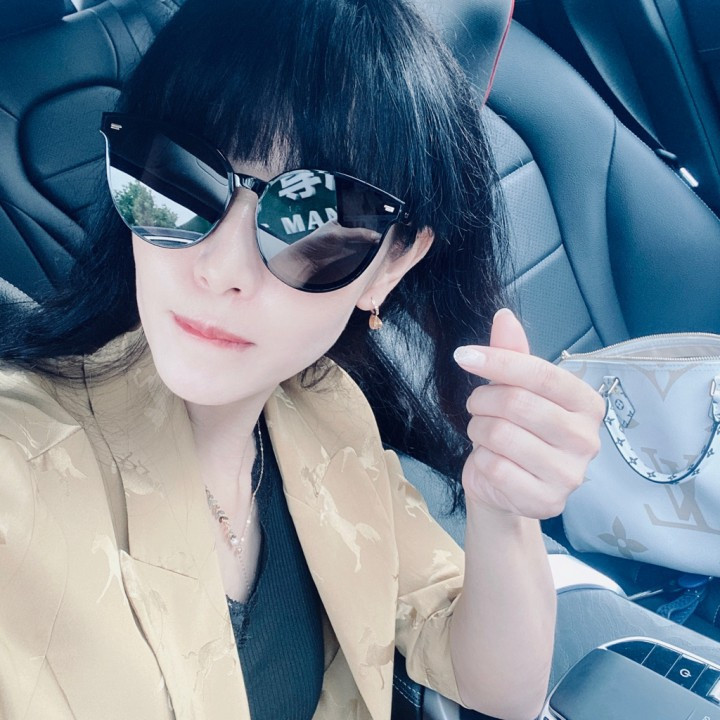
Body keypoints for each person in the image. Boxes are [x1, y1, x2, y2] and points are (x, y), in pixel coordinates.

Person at [0, 1, 604, 719]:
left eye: (309, 222)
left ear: (392, 266)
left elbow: (496, 687)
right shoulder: (21, 468)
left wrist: (503, 511)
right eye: (179, 183)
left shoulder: (326, 412)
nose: (220, 270)